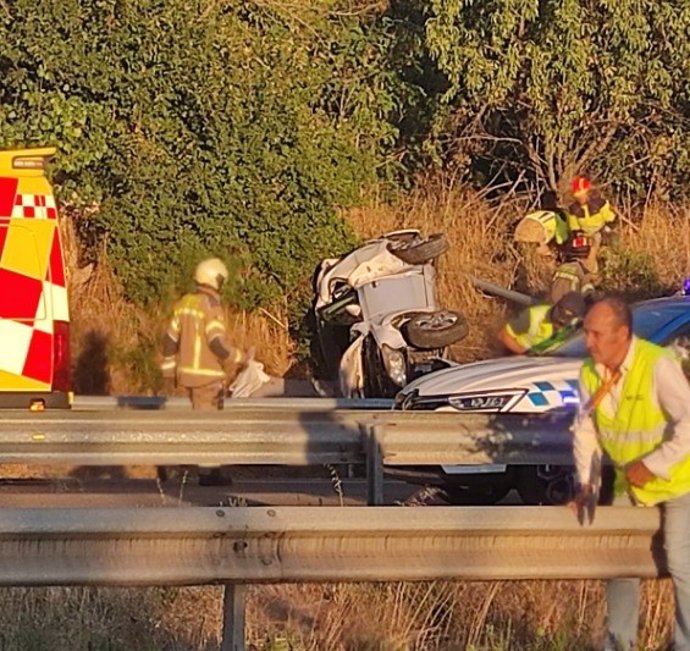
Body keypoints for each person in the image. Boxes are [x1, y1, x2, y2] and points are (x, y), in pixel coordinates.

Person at [572, 296, 690, 651]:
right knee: (620, 564)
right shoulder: (589, 374)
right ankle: (620, 644)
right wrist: (587, 485)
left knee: (682, 562)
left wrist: (653, 465)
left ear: (622, 334)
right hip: (632, 485)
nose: (588, 342)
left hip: (679, 480)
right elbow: (585, 432)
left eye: (596, 334)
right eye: (586, 333)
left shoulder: (657, 365)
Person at [160, 257, 248, 410]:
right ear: (214, 279)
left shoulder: (184, 303)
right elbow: (217, 344)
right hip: (207, 380)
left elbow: (170, 341)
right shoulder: (211, 307)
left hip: (185, 377)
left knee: (191, 426)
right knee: (208, 430)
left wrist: (168, 373)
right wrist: (241, 357)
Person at [498, 291, 586, 355]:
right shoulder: (533, 316)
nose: (559, 323)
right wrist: (521, 352)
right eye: (559, 318)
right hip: (517, 359)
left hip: (545, 363)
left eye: (562, 323)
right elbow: (503, 335)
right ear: (556, 306)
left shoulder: (573, 326)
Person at [566, 176, 616, 274]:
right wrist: (580, 234)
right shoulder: (573, 209)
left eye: (581, 194)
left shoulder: (600, 203)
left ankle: (591, 270)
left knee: (597, 240)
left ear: (587, 192)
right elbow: (574, 227)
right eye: (577, 196)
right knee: (575, 247)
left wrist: (605, 230)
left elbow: (611, 220)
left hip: (601, 231)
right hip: (585, 234)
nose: (579, 198)